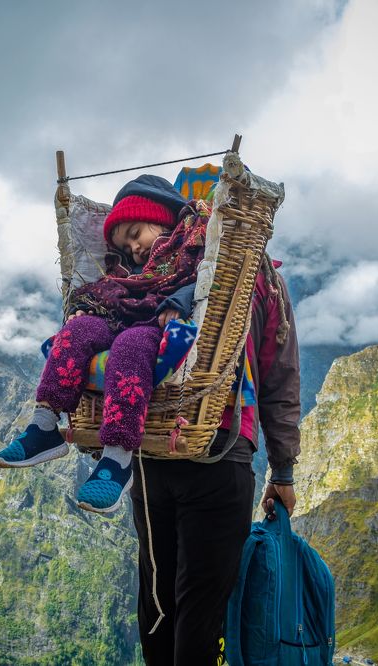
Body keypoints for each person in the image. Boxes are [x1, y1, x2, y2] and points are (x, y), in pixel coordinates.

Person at [0, 175, 207, 514]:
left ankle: (117, 461)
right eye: (125, 246)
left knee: (129, 347)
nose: (133, 249)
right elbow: (108, 292)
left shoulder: (192, 246)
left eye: (135, 235)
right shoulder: (127, 271)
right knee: (76, 332)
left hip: (155, 323)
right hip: (121, 313)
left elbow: (203, 281)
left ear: (162, 216)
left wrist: (177, 303)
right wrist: (85, 308)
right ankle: (44, 425)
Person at [131, 255, 301, 665]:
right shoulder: (258, 277)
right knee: (205, 605)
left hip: (152, 453)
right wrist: (282, 470)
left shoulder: (152, 270)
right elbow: (278, 376)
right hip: (221, 451)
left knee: (157, 595)